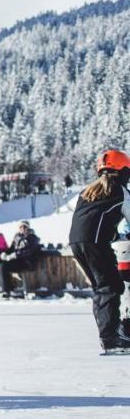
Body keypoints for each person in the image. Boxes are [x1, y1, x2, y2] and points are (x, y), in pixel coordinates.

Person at [67, 150, 130, 354]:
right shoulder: (120, 190)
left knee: (102, 287)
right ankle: (111, 339)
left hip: (77, 243)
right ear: (123, 171)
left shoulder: (87, 191)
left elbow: (91, 218)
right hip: (95, 243)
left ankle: (109, 336)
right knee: (110, 286)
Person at [0, 221, 43, 296]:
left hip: (27, 262)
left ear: (28, 227)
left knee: (4, 266)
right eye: (21, 227)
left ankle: (7, 290)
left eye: (25, 227)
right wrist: (5, 253)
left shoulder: (32, 237)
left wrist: (15, 255)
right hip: (18, 261)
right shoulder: (17, 237)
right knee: (1, 265)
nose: (23, 228)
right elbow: (12, 248)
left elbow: (29, 251)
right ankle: (7, 290)